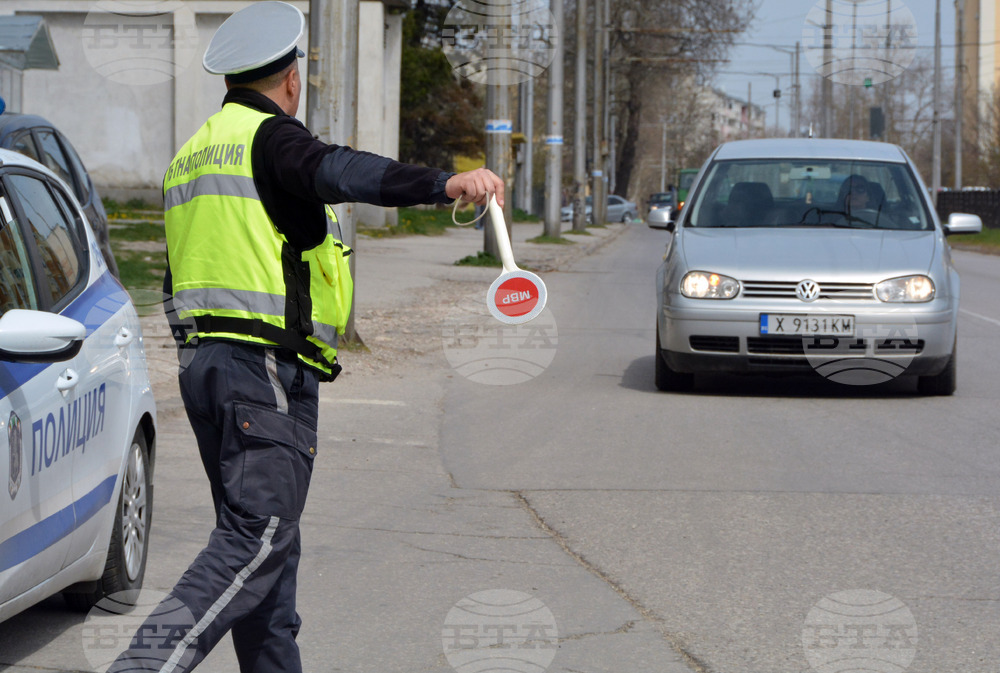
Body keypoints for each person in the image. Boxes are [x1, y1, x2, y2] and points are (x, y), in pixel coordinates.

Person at [109, 3, 502, 672]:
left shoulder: (191, 155)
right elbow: (340, 171)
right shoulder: (273, 139)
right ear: (291, 77)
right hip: (263, 374)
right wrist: (444, 183)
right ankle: (141, 664)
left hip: (206, 368)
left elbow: (176, 275)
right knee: (255, 540)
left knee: (268, 577)